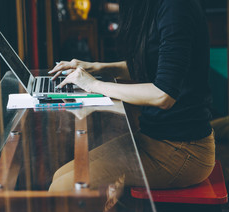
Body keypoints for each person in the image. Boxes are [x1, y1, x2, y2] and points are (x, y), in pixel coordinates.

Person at [48, 0, 215, 194]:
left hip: (183, 150)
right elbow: (151, 65)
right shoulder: (153, 7)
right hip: (154, 138)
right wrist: (95, 67)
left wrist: (94, 85)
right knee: (59, 177)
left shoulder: (176, 7)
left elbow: (163, 95)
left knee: (61, 189)